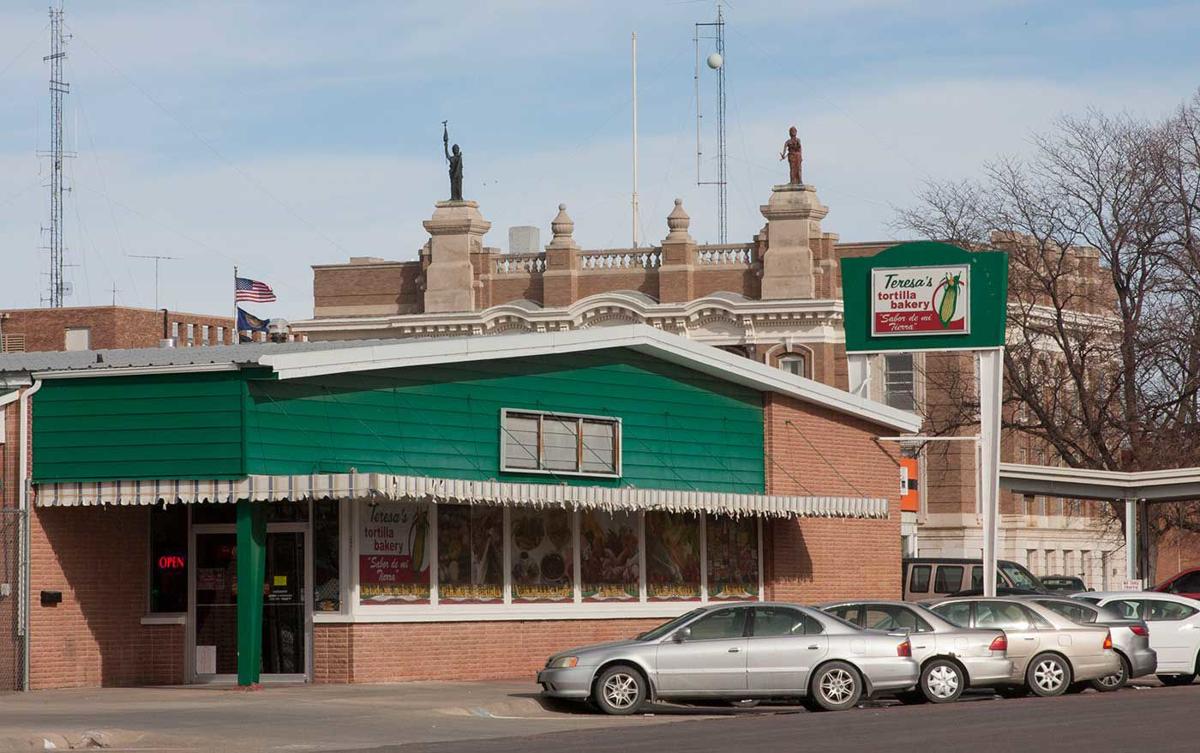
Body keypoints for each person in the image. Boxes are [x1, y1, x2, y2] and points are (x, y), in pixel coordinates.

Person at [443, 123, 463, 201]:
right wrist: (446, 145)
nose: (455, 150)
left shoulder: (459, 158)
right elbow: (447, 155)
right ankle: (453, 197)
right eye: (454, 149)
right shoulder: (453, 158)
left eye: (456, 149)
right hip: (453, 175)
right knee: (453, 187)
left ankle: (459, 197)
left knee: (458, 187)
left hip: (458, 176)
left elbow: (459, 167)